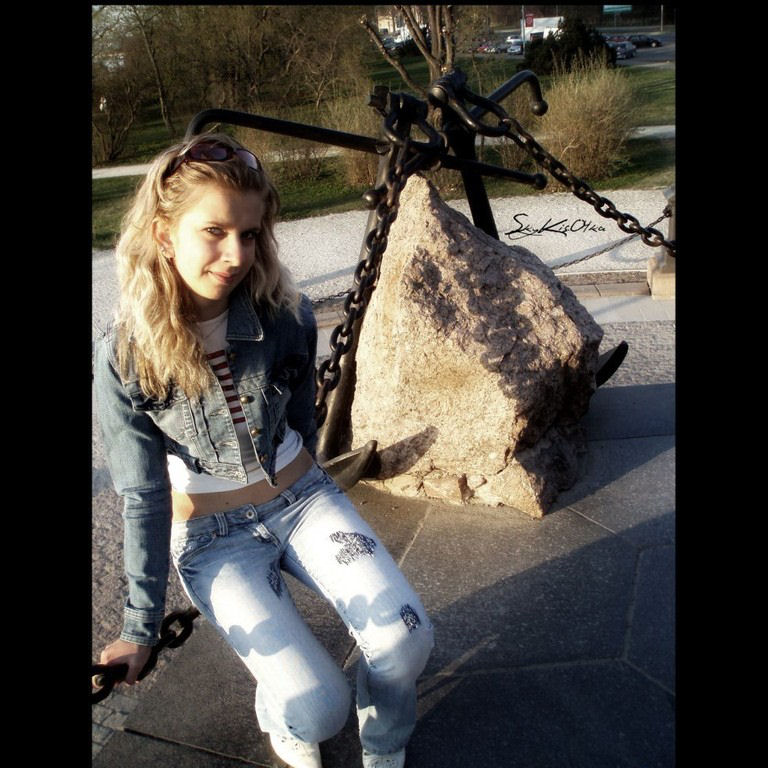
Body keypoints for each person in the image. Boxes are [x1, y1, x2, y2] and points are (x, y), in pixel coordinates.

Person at [94, 132, 434, 768]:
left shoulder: (284, 317)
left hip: (303, 500)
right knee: (317, 709)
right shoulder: (125, 356)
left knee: (406, 640)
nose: (236, 255)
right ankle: (283, 706)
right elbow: (142, 495)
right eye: (214, 232)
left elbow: (301, 418)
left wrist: (315, 483)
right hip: (213, 538)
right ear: (163, 233)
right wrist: (139, 627)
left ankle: (385, 737)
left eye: (249, 235)